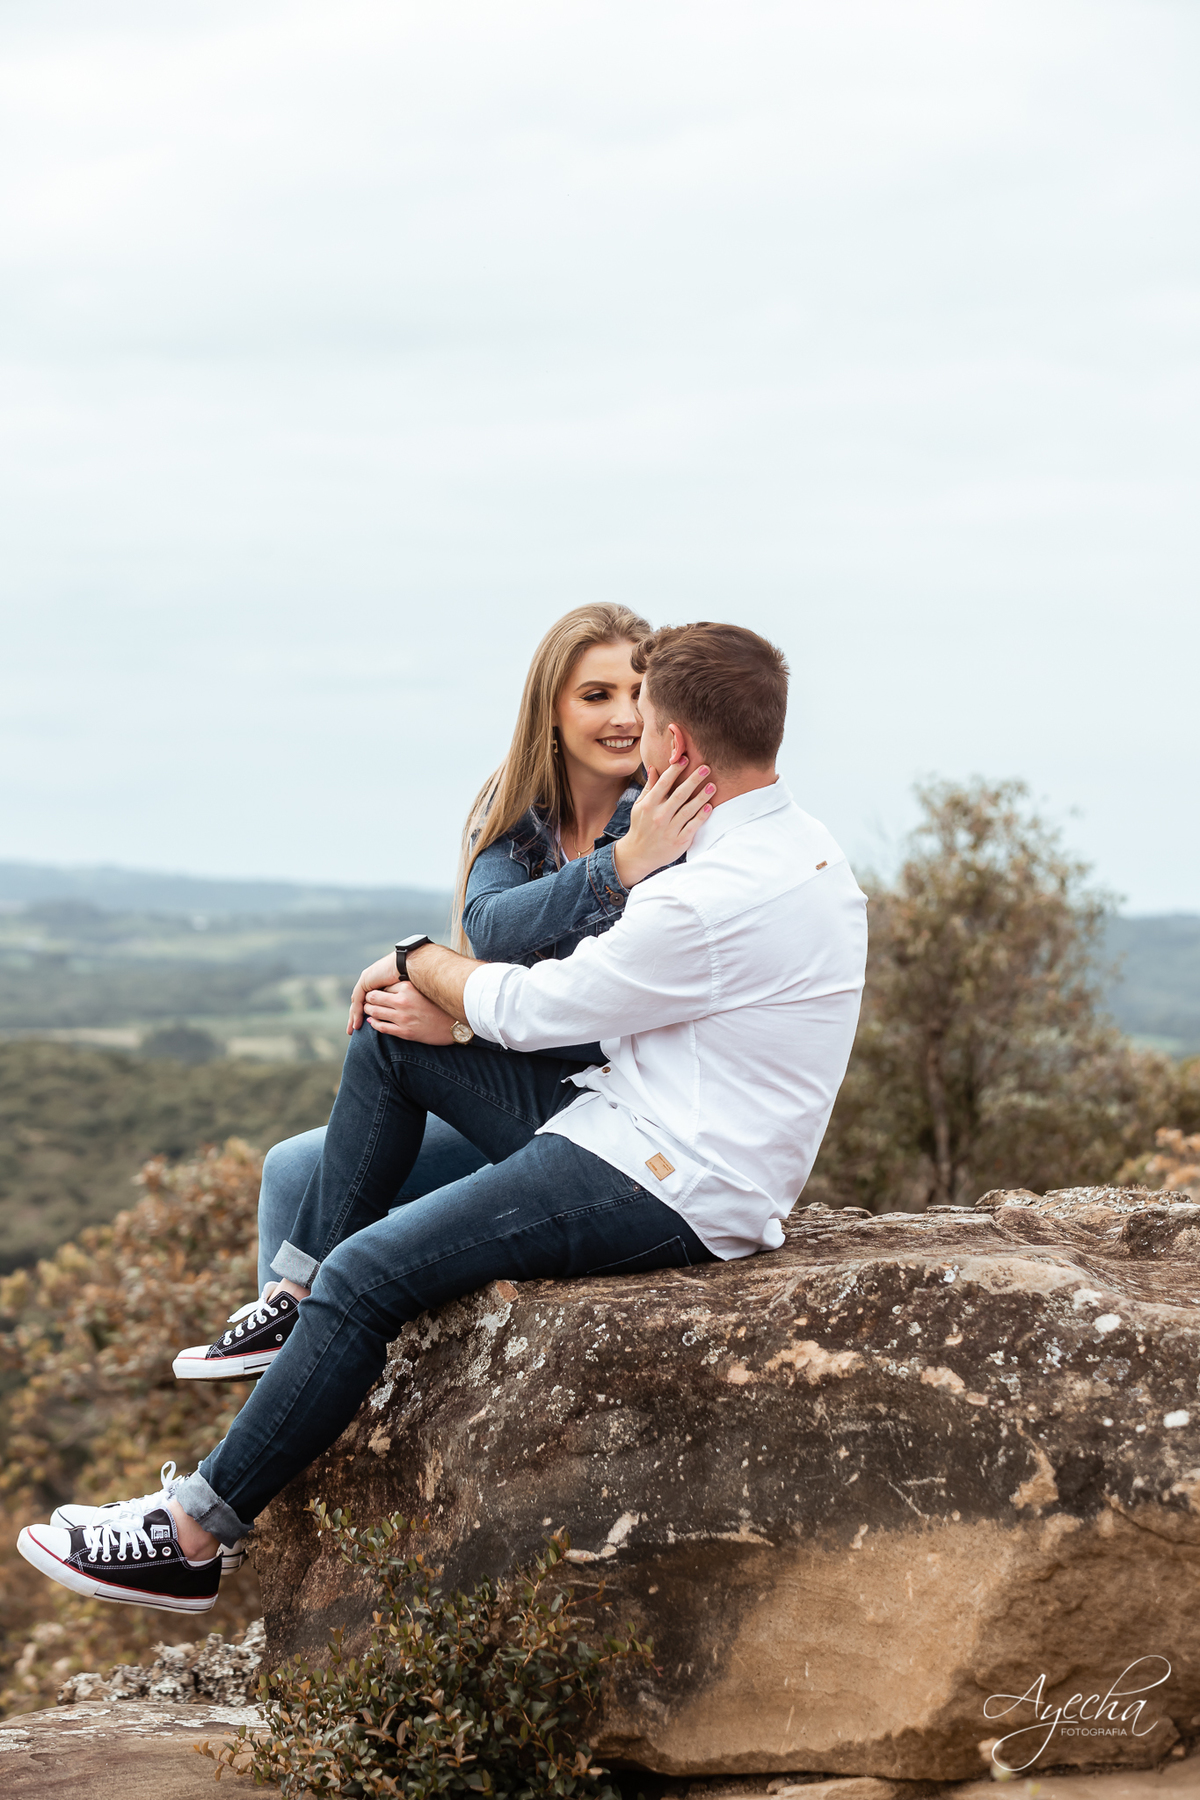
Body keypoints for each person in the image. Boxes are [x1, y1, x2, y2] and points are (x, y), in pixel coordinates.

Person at [18, 621, 867, 1614]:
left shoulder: (708, 894)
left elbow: (535, 1009)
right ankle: (290, 1320)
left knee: (367, 1274)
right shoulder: (802, 849)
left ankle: (193, 1533)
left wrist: (418, 954)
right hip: (652, 1128)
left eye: (641, 710)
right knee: (386, 1061)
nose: (626, 726)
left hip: (667, 1174)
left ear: (674, 743)